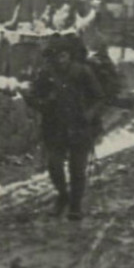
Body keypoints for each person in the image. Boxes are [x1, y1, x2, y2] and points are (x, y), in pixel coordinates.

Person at [27, 36, 105, 220]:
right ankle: (63, 195)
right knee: (54, 166)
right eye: (57, 56)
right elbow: (33, 97)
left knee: (77, 169)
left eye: (64, 55)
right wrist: (46, 102)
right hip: (55, 127)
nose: (61, 59)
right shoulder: (46, 74)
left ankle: (75, 205)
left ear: (69, 55)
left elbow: (99, 97)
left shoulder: (82, 72)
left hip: (80, 127)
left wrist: (89, 114)